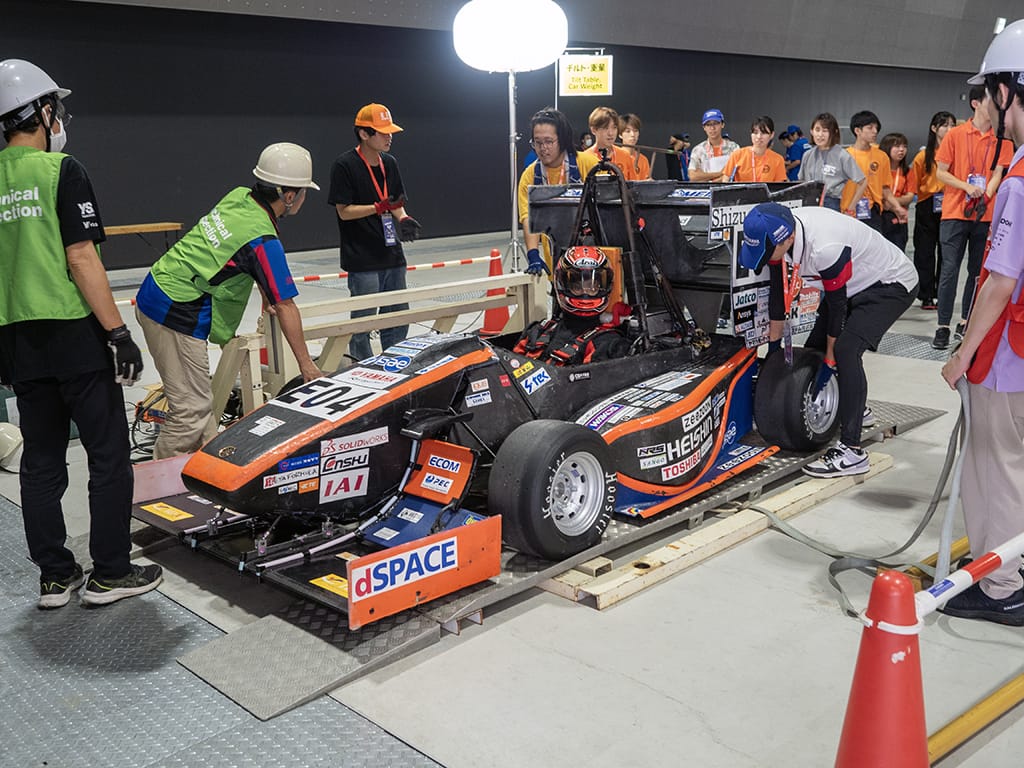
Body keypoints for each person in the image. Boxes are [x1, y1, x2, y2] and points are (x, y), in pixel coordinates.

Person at [0, 59, 162, 608]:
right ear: (42, 112)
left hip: (19, 341)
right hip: (74, 335)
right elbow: (81, 257)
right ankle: (111, 572)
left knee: (41, 461)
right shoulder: (61, 171)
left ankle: (54, 575)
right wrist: (117, 332)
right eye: (57, 109)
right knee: (108, 455)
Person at [136, 143, 323, 458]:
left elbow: (245, 261)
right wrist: (308, 367)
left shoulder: (239, 197)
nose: (304, 197)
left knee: (201, 410)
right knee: (191, 411)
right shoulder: (262, 239)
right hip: (173, 309)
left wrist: (268, 294)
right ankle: (155, 481)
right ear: (289, 195)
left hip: (159, 289)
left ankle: (207, 472)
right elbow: (285, 304)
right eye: (303, 191)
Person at [939, 19, 1024, 626]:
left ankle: (1002, 587)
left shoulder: (1018, 180)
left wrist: (961, 354)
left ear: (1005, 90)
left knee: (995, 468)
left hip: (1007, 356)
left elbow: (999, 282)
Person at [739, 203, 918, 478]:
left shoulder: (825, 247)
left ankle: (852, 452)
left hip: (890, 284)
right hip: (852, 284)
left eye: (765, 252)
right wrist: (773, 352)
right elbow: (777, 297)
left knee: (845, 351)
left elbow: (837, 308)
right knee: (813, 351)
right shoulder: (777, 235)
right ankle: (853, 405)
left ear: (788, 239)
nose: (763, 258)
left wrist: (831, 359)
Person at [328, 103, 421, 360]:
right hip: (362, 257)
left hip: (392, 253)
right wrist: (376, 207)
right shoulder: (344, 165)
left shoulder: (389, 163)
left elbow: (395, 203)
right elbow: (343, 211)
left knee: (397, 315)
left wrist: (403, 218)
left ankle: (394, 361)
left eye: (390, 132)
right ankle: (362, 364)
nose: (389, 137)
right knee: (363, 321)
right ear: (364, 134)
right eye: (383, 132)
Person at [931, 86, 1013, 350]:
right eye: (992, 101)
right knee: (949, 269)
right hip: (954, 212)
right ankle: (942, 325)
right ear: (976, 103)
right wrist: (967, 187)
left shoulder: (1002, 139)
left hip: (984, 214)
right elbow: (941, 172)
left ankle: (965, 322)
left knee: (977, 272)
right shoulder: (955, 134)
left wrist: (986, 196)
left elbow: (998, 173)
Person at [514, 246, 630, 364]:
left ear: (603, 288)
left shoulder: (605, 344)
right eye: (578, 287)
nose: (585, 292)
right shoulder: (539, 331)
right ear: (563, 286)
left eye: (592, 287)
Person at [518, 108, 599, 276]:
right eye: (537, 142)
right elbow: (528, 218)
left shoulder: (589, 164)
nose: (543, 148)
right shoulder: (530, 176)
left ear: (562, 140)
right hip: (556, 262)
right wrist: (533, 254)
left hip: (594, 258)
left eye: (549, 141)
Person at [911, 111, 957, 310]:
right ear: (934, 128)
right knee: (925, 251)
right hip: (927, 204)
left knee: (946, 251)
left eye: (952, 125)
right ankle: (926, 294)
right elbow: (914, 183)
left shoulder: (957, 153)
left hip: (950, 203)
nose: (949, 129)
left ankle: (942, 293)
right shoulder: (923, 156)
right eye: (944, 125)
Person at [840, 110, 907, 232]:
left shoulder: (881, 156)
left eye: (876, 128)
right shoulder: (844, 156)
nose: (875, 131)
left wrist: (897, 207)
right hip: (848, 211)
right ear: (857, 131)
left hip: (873, 211)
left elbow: (885, 188)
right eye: (870, 128)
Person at [799, 112, 867, 213]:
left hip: (831, 203)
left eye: (825, 131)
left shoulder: (842, 155)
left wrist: (851, 208)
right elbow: (801, 181)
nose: (820, 135)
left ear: (834, 132)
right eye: (817, 130)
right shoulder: (807, 155)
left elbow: (863, 181)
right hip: (809, 202)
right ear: (811, 131)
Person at [878, 132, 917, 252]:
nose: (901, 150)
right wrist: (890, 203)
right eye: (897, 146)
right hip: (880, 215)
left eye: (904, 146)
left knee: (898, 252)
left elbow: (909, 197)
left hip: (899, 217)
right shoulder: (877, 169)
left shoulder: (907, 172)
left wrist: (891, 202)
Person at [719, 116, 787, 183]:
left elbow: (778, 186)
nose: (759, 137)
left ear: (772, 135)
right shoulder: (737, 155)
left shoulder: (778, 160)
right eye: (755, 132)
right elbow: (725, 180)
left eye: (764, 133)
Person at [587, 106, 642, 180]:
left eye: (614, 127)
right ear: (593, 130)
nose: (611, 133)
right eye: (605, 128)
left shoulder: (625, 156)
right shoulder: (585, 158)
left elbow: (633, 185)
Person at [688, 108, 740, 182]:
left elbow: (736, 173)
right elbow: (692, 176)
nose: (712, 128)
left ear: (722, 124)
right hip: (705, 189)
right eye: (708, 124)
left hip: (728, 189)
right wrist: (720, 173)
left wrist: (706, 178)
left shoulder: (733, 147)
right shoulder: (698, 150)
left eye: (715, 123)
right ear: (704, 127)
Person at [618, 113, 652, 180]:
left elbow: (646, 182)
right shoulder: (615, 156)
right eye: (628, 131)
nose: (633, 135)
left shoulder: (643, 159)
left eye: (635, 131)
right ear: (620, 135)